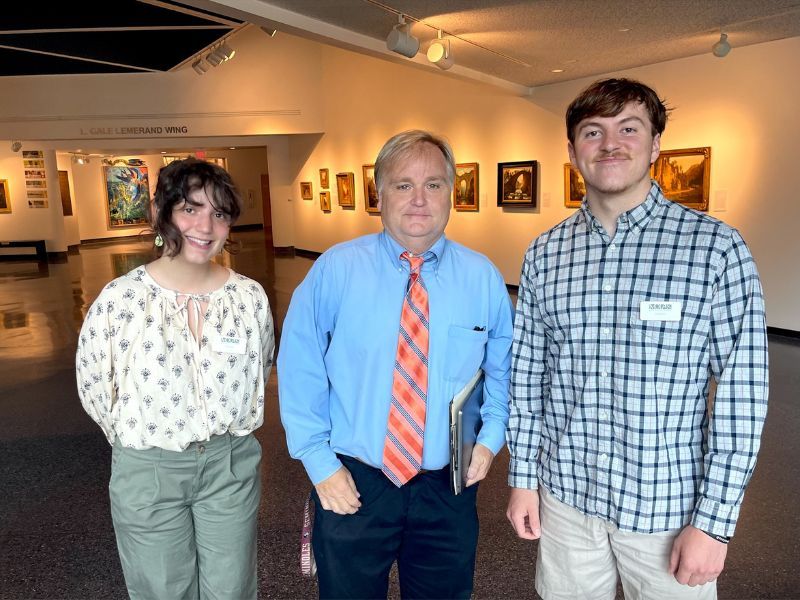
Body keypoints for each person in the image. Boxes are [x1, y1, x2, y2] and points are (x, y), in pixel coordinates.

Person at [506, 78, 768, 599]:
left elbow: (743, 395)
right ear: (572, 150)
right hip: (566, 501)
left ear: (654, 146)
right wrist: (522, 477)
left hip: (666, 510)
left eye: (629, 128)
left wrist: (714, 522)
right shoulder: (545, 253)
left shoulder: (715, 249)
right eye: (593, 131)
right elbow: (528, 374)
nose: (610, 144)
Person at [278, 130, 513, 599]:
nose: (419, 199)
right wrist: (320, 465)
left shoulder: (482, 277)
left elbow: (502, 369)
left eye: (434, 184)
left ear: (452, 194)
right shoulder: (336, 269)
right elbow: (300, 366)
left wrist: (490, 439)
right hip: (355, 480)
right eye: (403, 185)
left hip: (448, 483)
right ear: (379, 195)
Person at [76, 158, 274, 599]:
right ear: (163, 214)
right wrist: (141, 443)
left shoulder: (247, 297)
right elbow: (94, 385)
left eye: (219, 213)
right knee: (163, 589)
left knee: (232, 588)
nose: (205, 225)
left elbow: (258, 368)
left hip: (229, 463)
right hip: (149, 465)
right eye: (191, 208)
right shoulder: (120, 300)